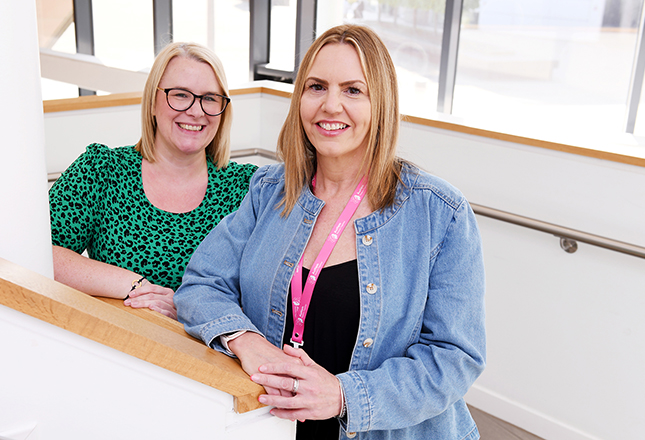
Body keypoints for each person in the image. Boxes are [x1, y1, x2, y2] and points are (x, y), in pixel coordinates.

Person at [175, 24, 485, 440]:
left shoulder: (439, 213)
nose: (331, 105)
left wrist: (343, 395)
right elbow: (200, 283)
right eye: (316, 86)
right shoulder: (269, 191)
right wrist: (246, 341)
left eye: (353, 90)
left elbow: (454, 357)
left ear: (382, 104)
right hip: (274, 427)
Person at [49, 42, 257, 320]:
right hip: (117, 348)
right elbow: (41, 252)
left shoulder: (247, 188)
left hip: (211, 357)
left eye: (210, 98)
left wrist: (189, 307)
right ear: (153, 102)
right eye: (180, 95)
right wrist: (134, 287)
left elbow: (268, 297)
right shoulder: (102, 169)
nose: (196, 111)